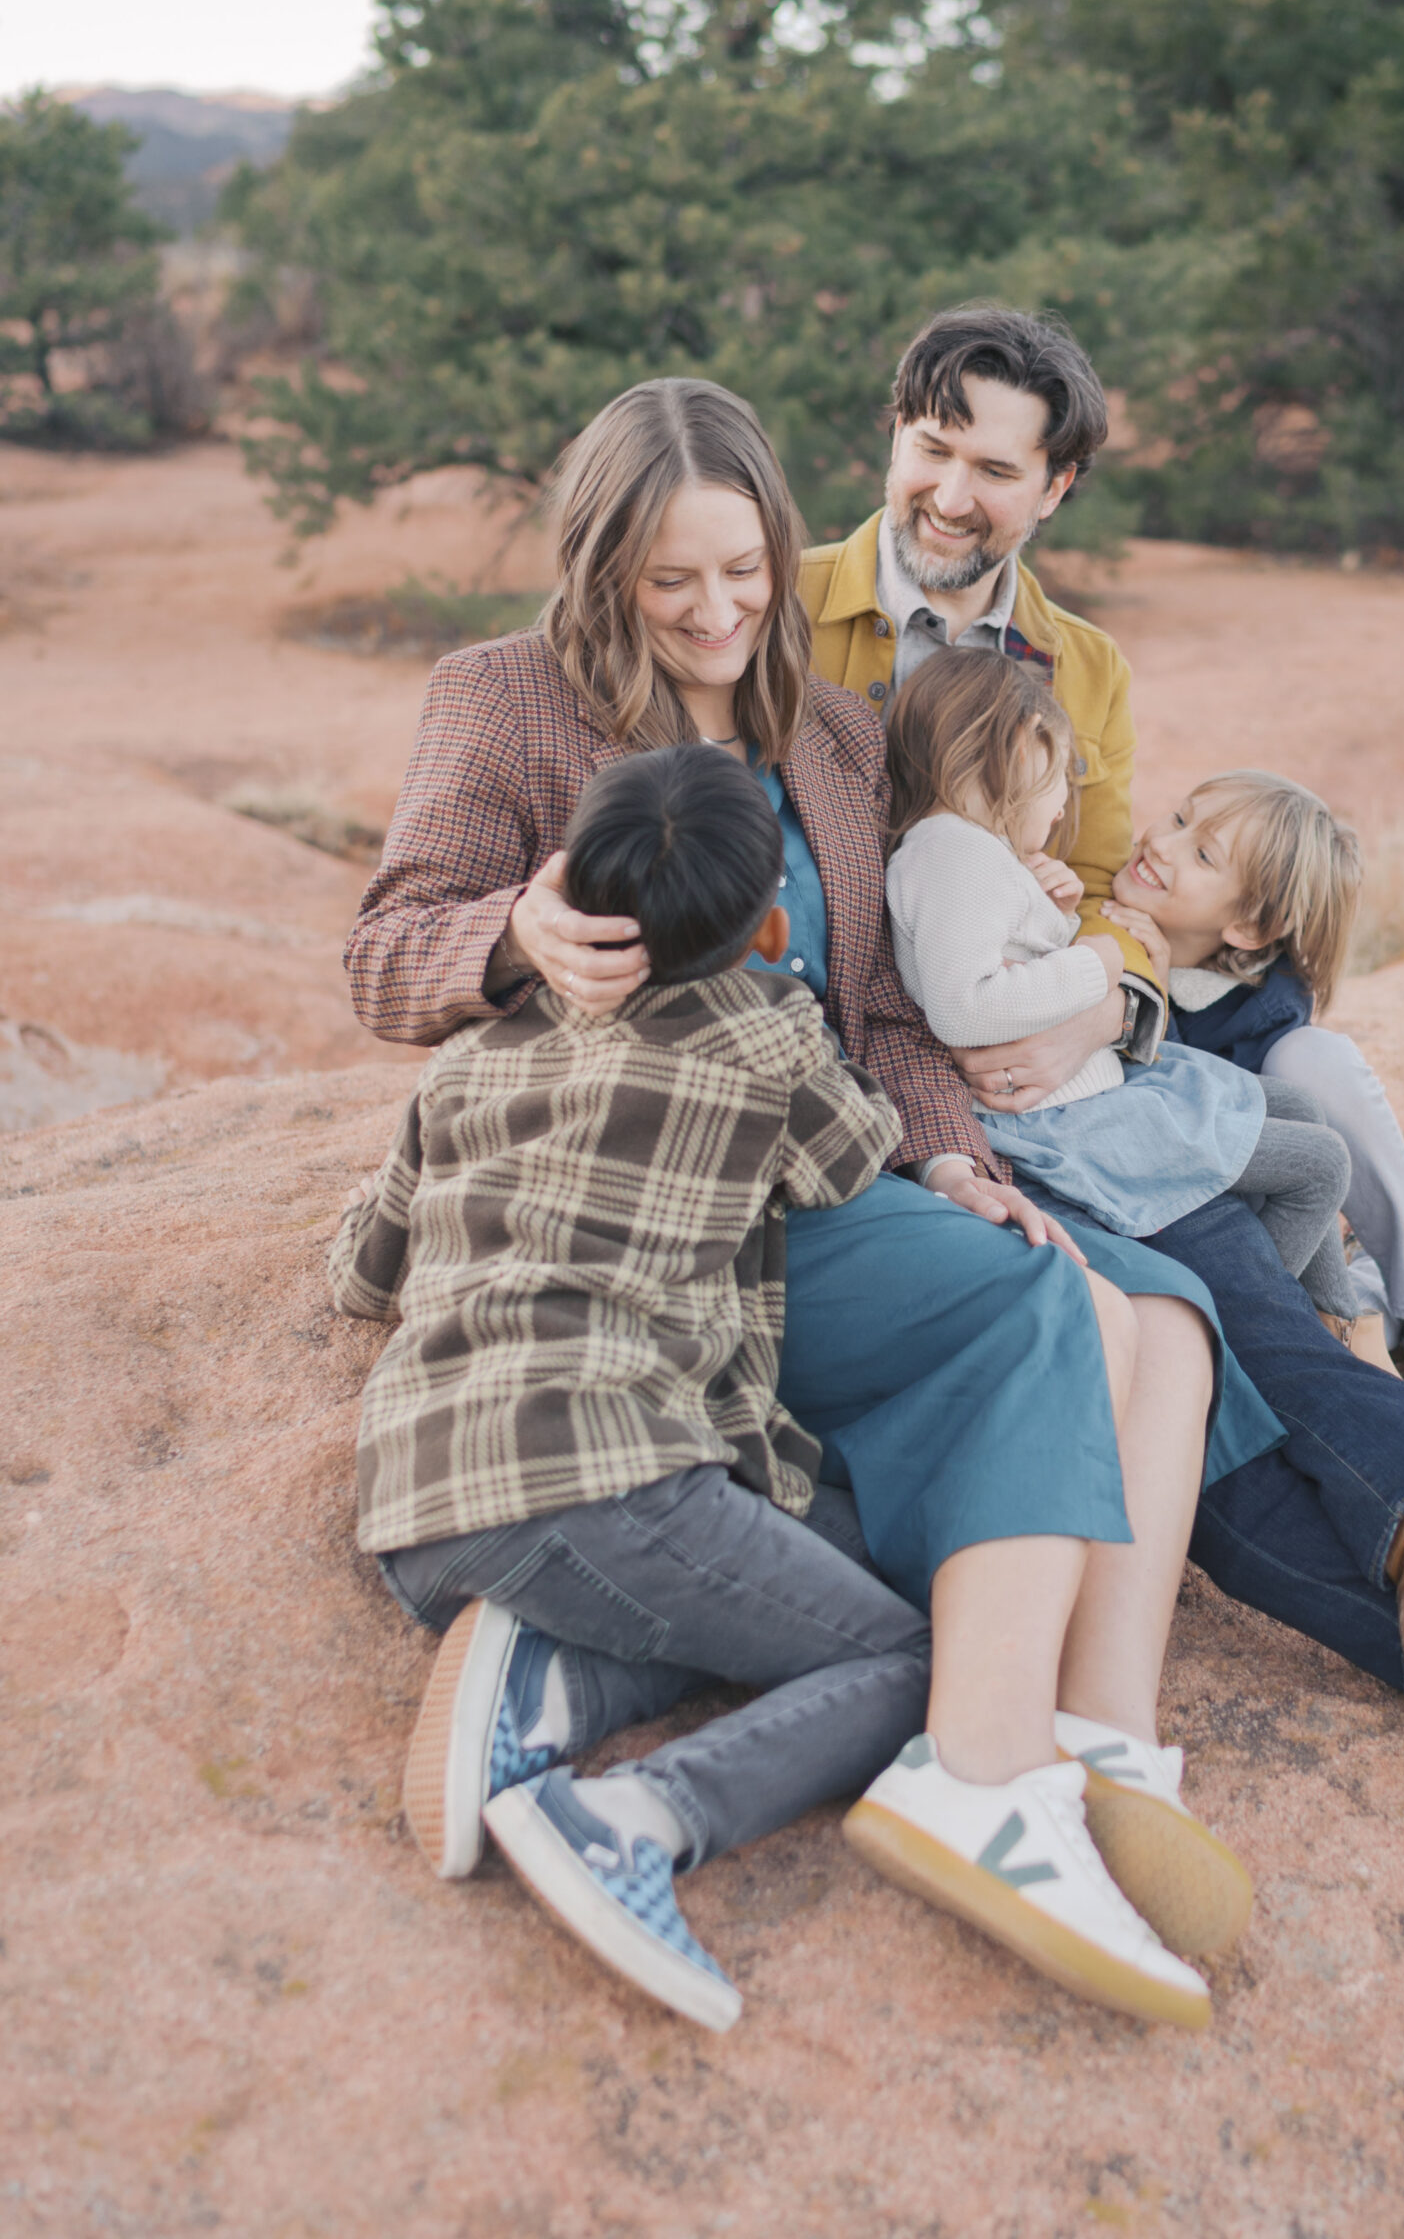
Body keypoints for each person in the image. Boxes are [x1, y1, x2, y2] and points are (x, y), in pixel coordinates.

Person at [346, 375, 1286, 2026]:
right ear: (597, 570)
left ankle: (1075, 1742)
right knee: (1037, 1306)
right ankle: (987, 1769)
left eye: (747, 572)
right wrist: (514, 937)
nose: (717, 615)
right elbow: (383, 951)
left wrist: (945, 1157)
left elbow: (891, 1019)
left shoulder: (836, 735)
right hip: (657, 1200)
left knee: (1144, 1309)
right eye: (671, 581)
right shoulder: (502, 702)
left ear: (785, 555)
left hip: (831, 1166)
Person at [799, 302, 1404, 1711]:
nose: (951, 493)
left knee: (1211, 1328)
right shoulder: (783, 612)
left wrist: (1101, 989)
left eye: (997, 471)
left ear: (1054, 491)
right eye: (934, 449)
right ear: (894, 432)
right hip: (877, 1098)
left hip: (1054, 1072)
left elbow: (1111, 891)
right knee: (1208, 1307)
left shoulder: (1082, 671)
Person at [334, 742, 914, 2030]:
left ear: (562, 882)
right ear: (765, 922)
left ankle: (549, 1677)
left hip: (414, 1502)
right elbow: (856, 1157)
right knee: (907, 1655)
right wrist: (786, 993)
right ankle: (629, 1819)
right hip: (596, 1475)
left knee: (834, 1543)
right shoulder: (767, 1031)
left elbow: (363, 1273)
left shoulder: (468, 1058)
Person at [882, 646, 1356, 1307]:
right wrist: (1099, 962)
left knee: (1301, 1110)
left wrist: (1051, 914)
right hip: (1062, 1119)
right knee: (1321, 1165)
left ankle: (1329, 1307)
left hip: (1091, 1092)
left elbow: (995, 951)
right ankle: (1285, 1313)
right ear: (1007, 768)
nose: (1062, 807)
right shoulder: (953, 855)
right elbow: (968, 1002)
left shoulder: (971, 855)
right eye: (1058, 780)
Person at [1129, 767, 1404, 1422]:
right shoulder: (1099, 919)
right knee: (1294, 1328)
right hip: (1182, 1222)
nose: (1161, 844)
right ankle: (1395, 1264)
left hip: (1271, 1212)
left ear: (1252, 929)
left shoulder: (1264, 1011)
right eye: (1178, 818)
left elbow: (1214, 1111)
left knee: (1314, 1057)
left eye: (1202, 854)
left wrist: (1163, 984)